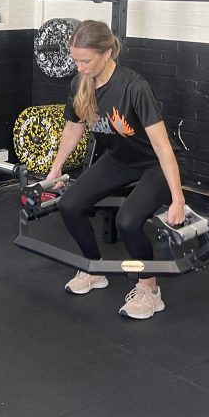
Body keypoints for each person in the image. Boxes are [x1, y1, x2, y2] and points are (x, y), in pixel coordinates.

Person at [44, 20, 185, 320]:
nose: (79, 67)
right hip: (118, 159)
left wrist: (177, 198)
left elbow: (162, 147)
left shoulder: (134, 87)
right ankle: (93, 268)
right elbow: (73, 129)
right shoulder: (80, 84)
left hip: (152, 165)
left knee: (128, 221)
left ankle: (149, 289)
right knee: (69, 205)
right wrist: (56, 167)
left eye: (86, 61)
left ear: (107, 53)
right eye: (76, 60)